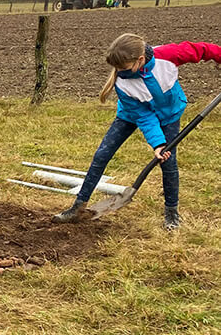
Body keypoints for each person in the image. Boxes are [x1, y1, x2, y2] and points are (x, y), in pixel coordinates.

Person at [54, 33, 221, 230]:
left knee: (168, 162)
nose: (119, 72)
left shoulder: (167, 56)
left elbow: (202, 49)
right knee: (102, 155)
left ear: (140, 60)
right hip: (131, 115)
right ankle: (78, 207)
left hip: (169, 115)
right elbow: (143, 116)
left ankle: (171, 213)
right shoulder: (122, 82)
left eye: (123, 68)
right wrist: (157, 144)